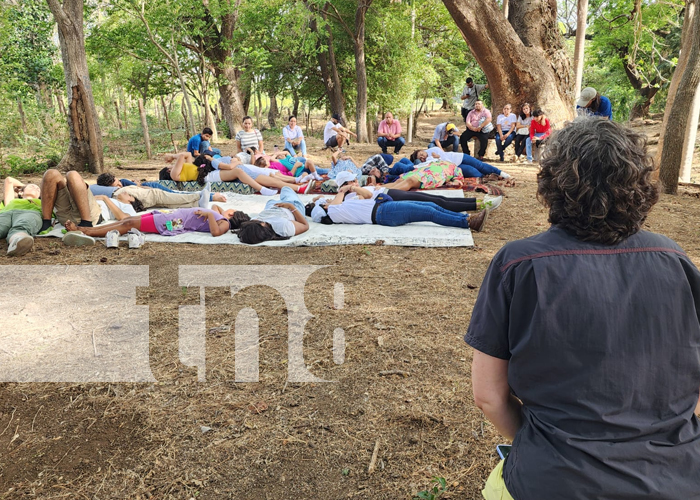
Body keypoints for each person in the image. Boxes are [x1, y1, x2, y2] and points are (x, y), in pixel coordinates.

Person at [466, 117, 700, 500]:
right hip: (678, 478)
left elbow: (489, 396)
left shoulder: (517, 264)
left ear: (552, 183)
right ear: (641, 185)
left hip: (552, 479)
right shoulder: (675, 259)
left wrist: (542, 443)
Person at [307, 183, 489, 232]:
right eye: (325, 202)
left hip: (385, 205)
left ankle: (465, 219)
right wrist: (343, 190)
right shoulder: (333, 212)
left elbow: (368, 195)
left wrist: (352, 189)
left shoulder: (344, 205)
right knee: (428, 212)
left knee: (431, 205)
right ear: (323, 207)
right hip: (383, 213)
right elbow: (333, 204)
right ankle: (468, 222)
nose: (328, 201)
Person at [329, 171, 502, 212]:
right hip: (391, 199)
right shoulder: (351, 193)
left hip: (391, 194)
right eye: (352, 180)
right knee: (437, 203)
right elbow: (364, 196)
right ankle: (481, 205)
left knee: (438, 199)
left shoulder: (354, 189)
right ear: (348, 183)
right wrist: (350, 189)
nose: (355, 181)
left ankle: (479, 203)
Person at [163, 152, 314, 195]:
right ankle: (297, 187)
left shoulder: (187, 165)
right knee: (239, 171)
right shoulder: (174, 175)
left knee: (266, 176)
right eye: (170, 167)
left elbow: (188, 154)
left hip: (212, 172)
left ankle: (296, 185)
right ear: (168, 172)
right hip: (209, 177)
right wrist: (172, 156)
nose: (172, 166)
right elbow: (182, 156)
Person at [64, 204, 250, 239]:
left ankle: (86, 232)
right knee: (128, 219)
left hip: (174, 221)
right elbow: (217, 206)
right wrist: (212, 212)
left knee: (128, 225)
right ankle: (83, 228)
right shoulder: (221, 214)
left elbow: (216, 232)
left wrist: (208, 215)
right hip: (173, 215)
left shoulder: (223, 222)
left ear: (233, 215)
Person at [231, 187, 310, 244]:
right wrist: (291, 206)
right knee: (285, 189)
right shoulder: (283, 227)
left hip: (272, 207)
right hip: (292, 208)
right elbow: (305, 225)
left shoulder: (252, 228)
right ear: (262, 225)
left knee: (270, 201)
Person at [1, 176, 42, 256]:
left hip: (31, 212)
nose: (35, 187)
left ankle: (17, 242)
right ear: (20, 192)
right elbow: (9, 180)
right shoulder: (11, 201)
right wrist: (24, 187)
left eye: (38, 189)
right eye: (32, 186)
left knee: (23, 226)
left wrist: (28, 188)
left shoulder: (41, 203)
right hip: (6, 213)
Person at [410, 147, 511, 180]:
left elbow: (443, 158)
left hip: (459, 158)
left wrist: (436, 157)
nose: (423, 156)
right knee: (474, 172)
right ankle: (489, 177)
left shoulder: (432, 150)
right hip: (455, 167)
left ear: (423, 150)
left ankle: (501, 173)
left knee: (479, 165)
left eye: (422, 154)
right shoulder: (426, 162)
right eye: (421, 158)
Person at [382, 160, 466, 191]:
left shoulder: (456, 168)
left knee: (411, 180)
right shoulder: (437, 161)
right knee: (399, 181)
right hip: (421, 170)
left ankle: (384, 193)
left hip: (434, 175)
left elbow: (458, 181)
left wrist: (452, 183)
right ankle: (375, 189)